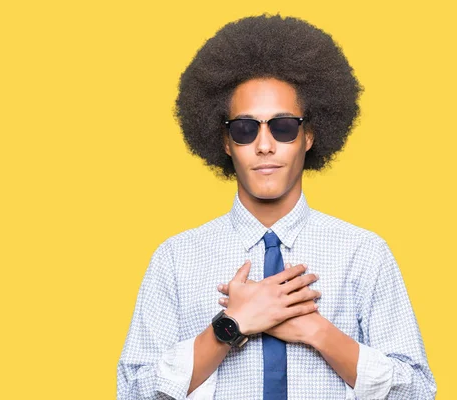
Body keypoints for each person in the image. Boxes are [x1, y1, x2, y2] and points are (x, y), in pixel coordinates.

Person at [117, 14, 436, 400]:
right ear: (225, 142)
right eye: (245, 128)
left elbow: (418, 391)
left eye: (282, 126)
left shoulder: (364, 254)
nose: (264, 145)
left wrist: (316, 331)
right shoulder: (175, 259)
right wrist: (230, 326)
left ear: (309, 136)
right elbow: (132, 392)